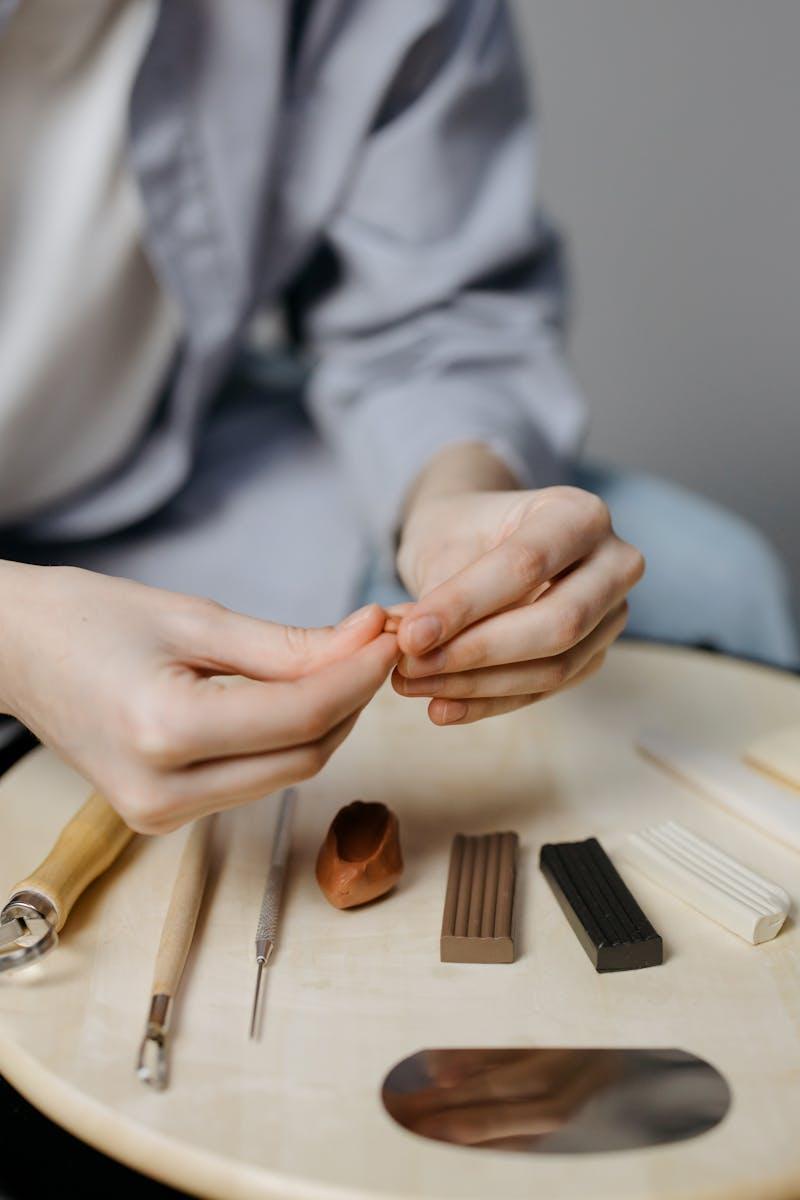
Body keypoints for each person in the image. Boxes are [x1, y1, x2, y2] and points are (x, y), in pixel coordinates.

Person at [0, 1, 795, 834]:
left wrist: (450, 500)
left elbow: (430, 313)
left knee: (712, 587)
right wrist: (15, 643)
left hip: (154, 478)